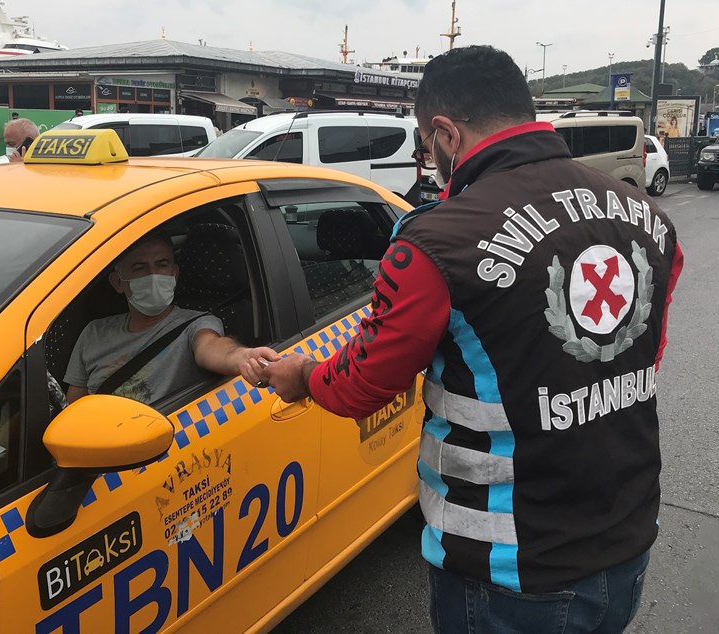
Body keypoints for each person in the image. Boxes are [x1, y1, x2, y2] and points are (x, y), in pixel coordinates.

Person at [260, 45, 684, 633]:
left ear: (445, 133)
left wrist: (303, 374)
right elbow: (642, 355)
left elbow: (361, 387)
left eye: (422, 142)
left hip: (510, 574)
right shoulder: (648, 216)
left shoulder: (436, 240)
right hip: (628, 540)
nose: (425, 157)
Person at [65, 234, 278, 405]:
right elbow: (73, 407)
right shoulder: (94, 332)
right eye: (140, 268)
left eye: (162, 265)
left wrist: (244, 357)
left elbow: (211, 346)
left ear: (175, 274)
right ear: (117, 282)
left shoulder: (197, 325)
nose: (153, 275)